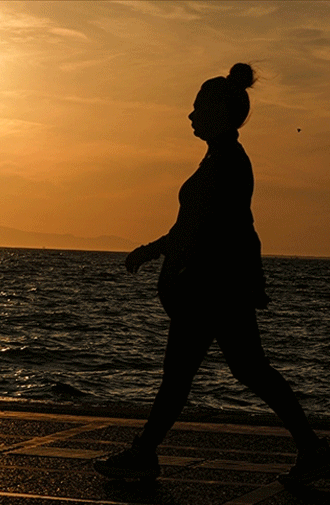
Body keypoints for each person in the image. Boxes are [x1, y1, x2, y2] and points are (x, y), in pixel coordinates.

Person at [94, 64, 330, 484]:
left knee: (187, 375)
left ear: (219, 113)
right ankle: (312, 449)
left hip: (211, 288)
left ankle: (144, 454)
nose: (190, 116)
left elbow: (199, 226)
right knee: (246, 370)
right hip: (221, 287)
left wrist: (151, 251)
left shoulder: (225, 162)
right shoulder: (222, 159)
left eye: (197, 107)